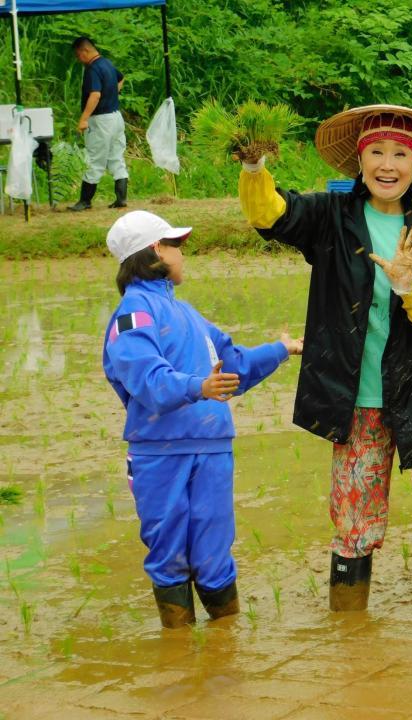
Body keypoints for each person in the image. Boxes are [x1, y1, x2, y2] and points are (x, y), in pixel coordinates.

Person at [237, 105, 412, 611]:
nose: (387, 164)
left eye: (401, 154)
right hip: (354, 399)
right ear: (360, 161)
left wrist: (408, 287)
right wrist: (253, 167)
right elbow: (271, 214)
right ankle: (349, 632)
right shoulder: (331, 219)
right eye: (377, 152)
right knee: (354, 521)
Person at [102, 210, 301, 628]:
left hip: (211, 448)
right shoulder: (133, 314)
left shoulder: (189, 315)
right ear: (156, 250)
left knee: (214, 551)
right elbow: (147, 379)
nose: (182, 254)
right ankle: (177, 650)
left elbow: (234, 366)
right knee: (168, 552)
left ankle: (221, 652)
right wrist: (198, 387)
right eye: (176, 245)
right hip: (161, 452)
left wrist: (282, 349)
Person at [70, 37, 129, 211]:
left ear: (84, 51)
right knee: (116, 156)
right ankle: (121, 199)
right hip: (116, 117)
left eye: (77, 55)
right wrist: (111, 94)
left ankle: (85, 201)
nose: (78, 59)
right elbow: (121, 79)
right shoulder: (107, 63)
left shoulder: (93, 69)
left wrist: (83, 118)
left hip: (101, 120)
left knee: (94, 159)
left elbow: (94, 95)